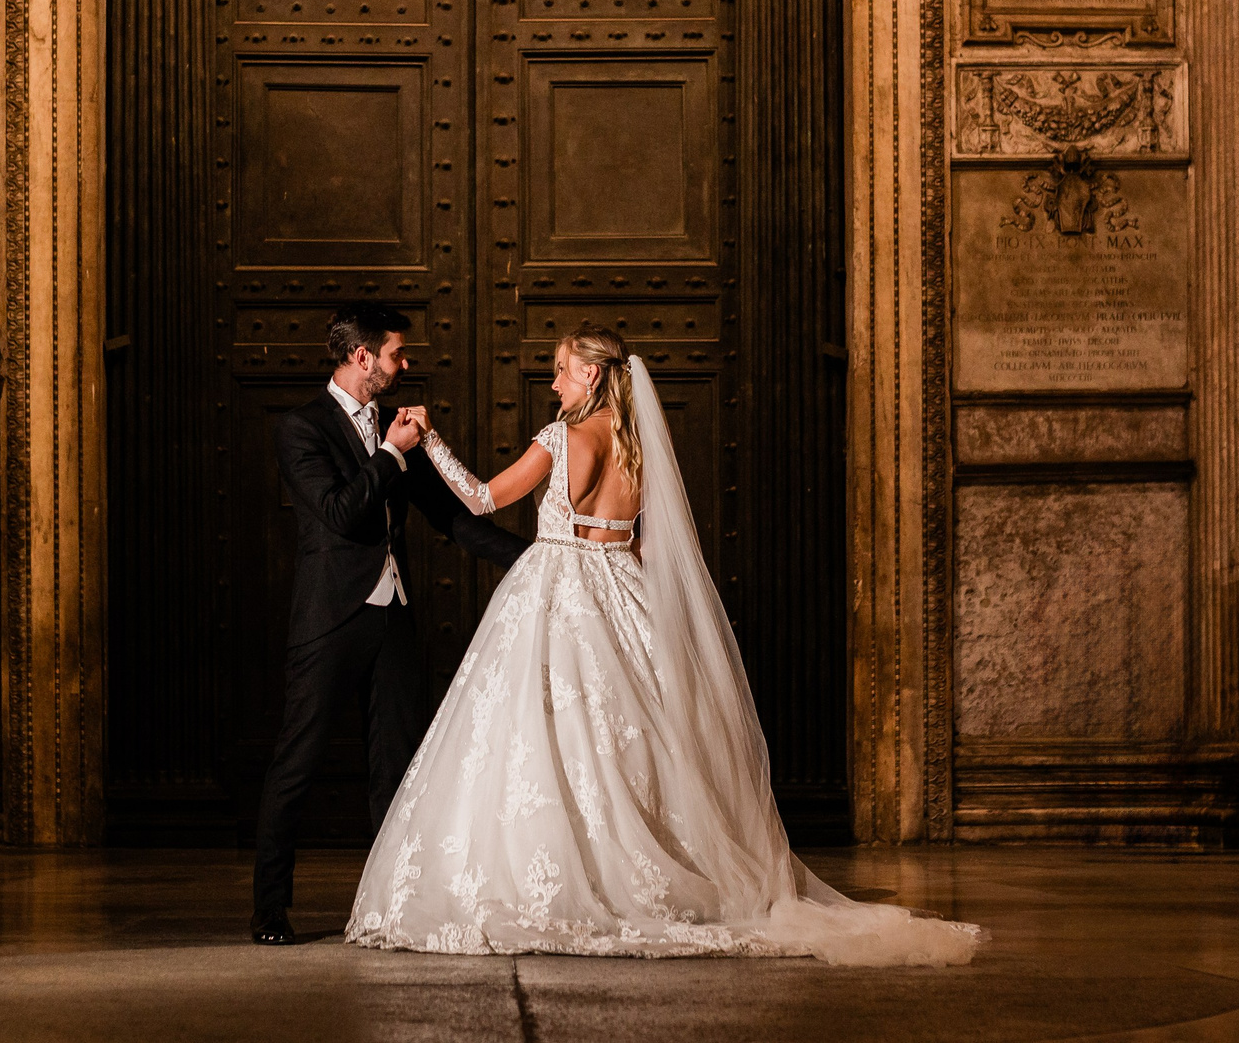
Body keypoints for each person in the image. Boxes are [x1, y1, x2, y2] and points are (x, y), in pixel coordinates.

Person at [343, 322, 983, 964]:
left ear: (591, 375)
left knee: (546, 737)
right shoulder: (639, 446)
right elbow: (648, 545)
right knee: (633, 740)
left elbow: (482, 500)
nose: (554, 381)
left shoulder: (560, 439)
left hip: (557, 591)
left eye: (562, 368)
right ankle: (645, 869)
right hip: (623, 591)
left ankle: (568, 877)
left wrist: (428, 441)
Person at [251, 302, 529, 945]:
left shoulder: (393, 429)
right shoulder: (301, 428)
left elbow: (452, 519)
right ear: (361, 358)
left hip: (392, 618)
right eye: (397, 354)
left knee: (398, 767)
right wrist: (388, 453)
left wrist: (543, 557)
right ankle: (269, 908)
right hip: (328, 620)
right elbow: (339, 514)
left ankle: (391, 907)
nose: (406, 364)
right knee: (298, 763)